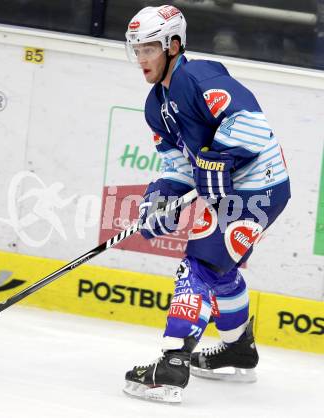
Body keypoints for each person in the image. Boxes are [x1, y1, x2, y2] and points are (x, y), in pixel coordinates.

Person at [123, 5, 291, 403]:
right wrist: (160, 196)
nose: (141, 58)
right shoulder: (155, 106)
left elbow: (251, 124)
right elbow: (178, 166)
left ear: (174, 45)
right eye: (136, 49)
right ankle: (237, 349)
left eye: (149, 48)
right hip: (232, 193)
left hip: (259, 189)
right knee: (218, 266)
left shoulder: (201, 76)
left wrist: (219, 156)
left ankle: (171, 365)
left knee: (197, 263)